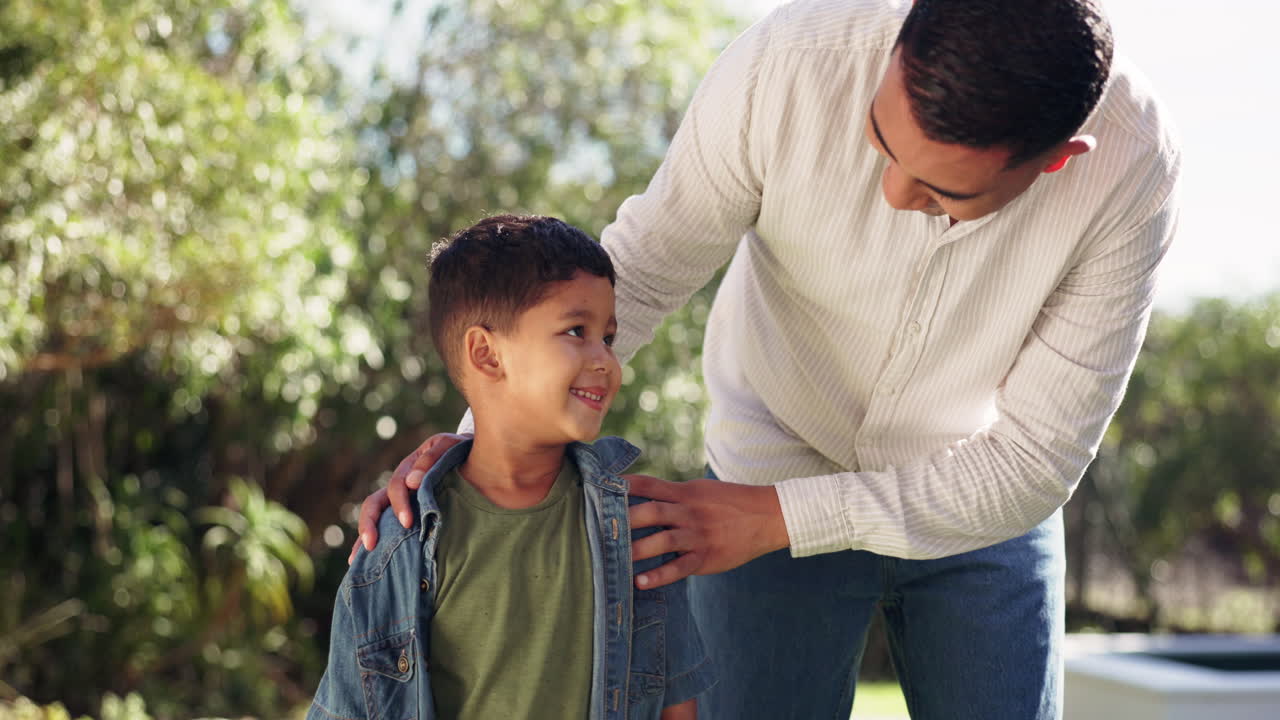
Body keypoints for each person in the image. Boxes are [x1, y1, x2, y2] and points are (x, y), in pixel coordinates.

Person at [353, 1, 1181, 718]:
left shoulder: (1132, 168)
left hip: (977, 498)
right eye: (879, 140)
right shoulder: (788, 66)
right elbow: (637, 273)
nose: (895, 194)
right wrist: (477, 446)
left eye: (942, 195)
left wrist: (780, 517)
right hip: (765, 462)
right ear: (903, 45)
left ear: (1058, 160)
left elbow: (1035, 459)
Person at [309, 215, 714, 720]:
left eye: (607, 338)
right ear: (486, 354)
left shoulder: (636, 527)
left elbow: (677, 702)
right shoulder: (399, 548)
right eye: (576, 331)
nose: (607, 361)